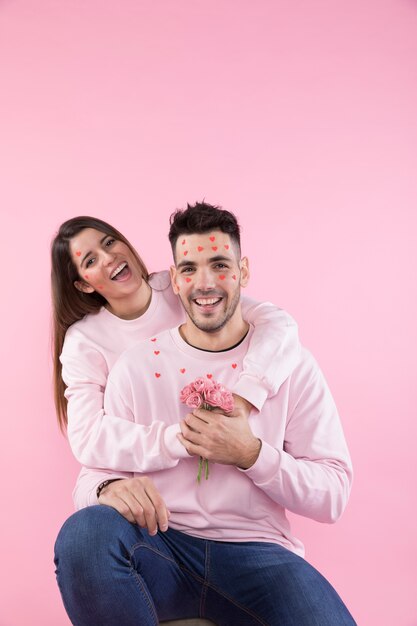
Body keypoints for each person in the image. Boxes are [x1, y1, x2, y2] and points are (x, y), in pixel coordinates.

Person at [54, 203, 355, 625]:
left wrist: (252, 453)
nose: (206, 282)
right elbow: (92, 467)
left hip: (259, 554)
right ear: (173, 279)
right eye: (190, 269)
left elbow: (333, 495)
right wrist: (108, 487)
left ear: (243, 272)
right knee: (85, 533)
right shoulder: (131, 366)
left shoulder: (289, 364)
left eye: (219, 264)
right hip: (161, 546)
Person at [51, 215, 300, 507]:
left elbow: (278, 324)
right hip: (159, 490)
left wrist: (246, 397)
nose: (108, 258)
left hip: (232, 479)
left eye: (109, 242)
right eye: (91, 261)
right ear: (83, 285)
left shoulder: (180, 285)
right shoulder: (85, 341)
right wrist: (182, 439)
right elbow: (88, 437)